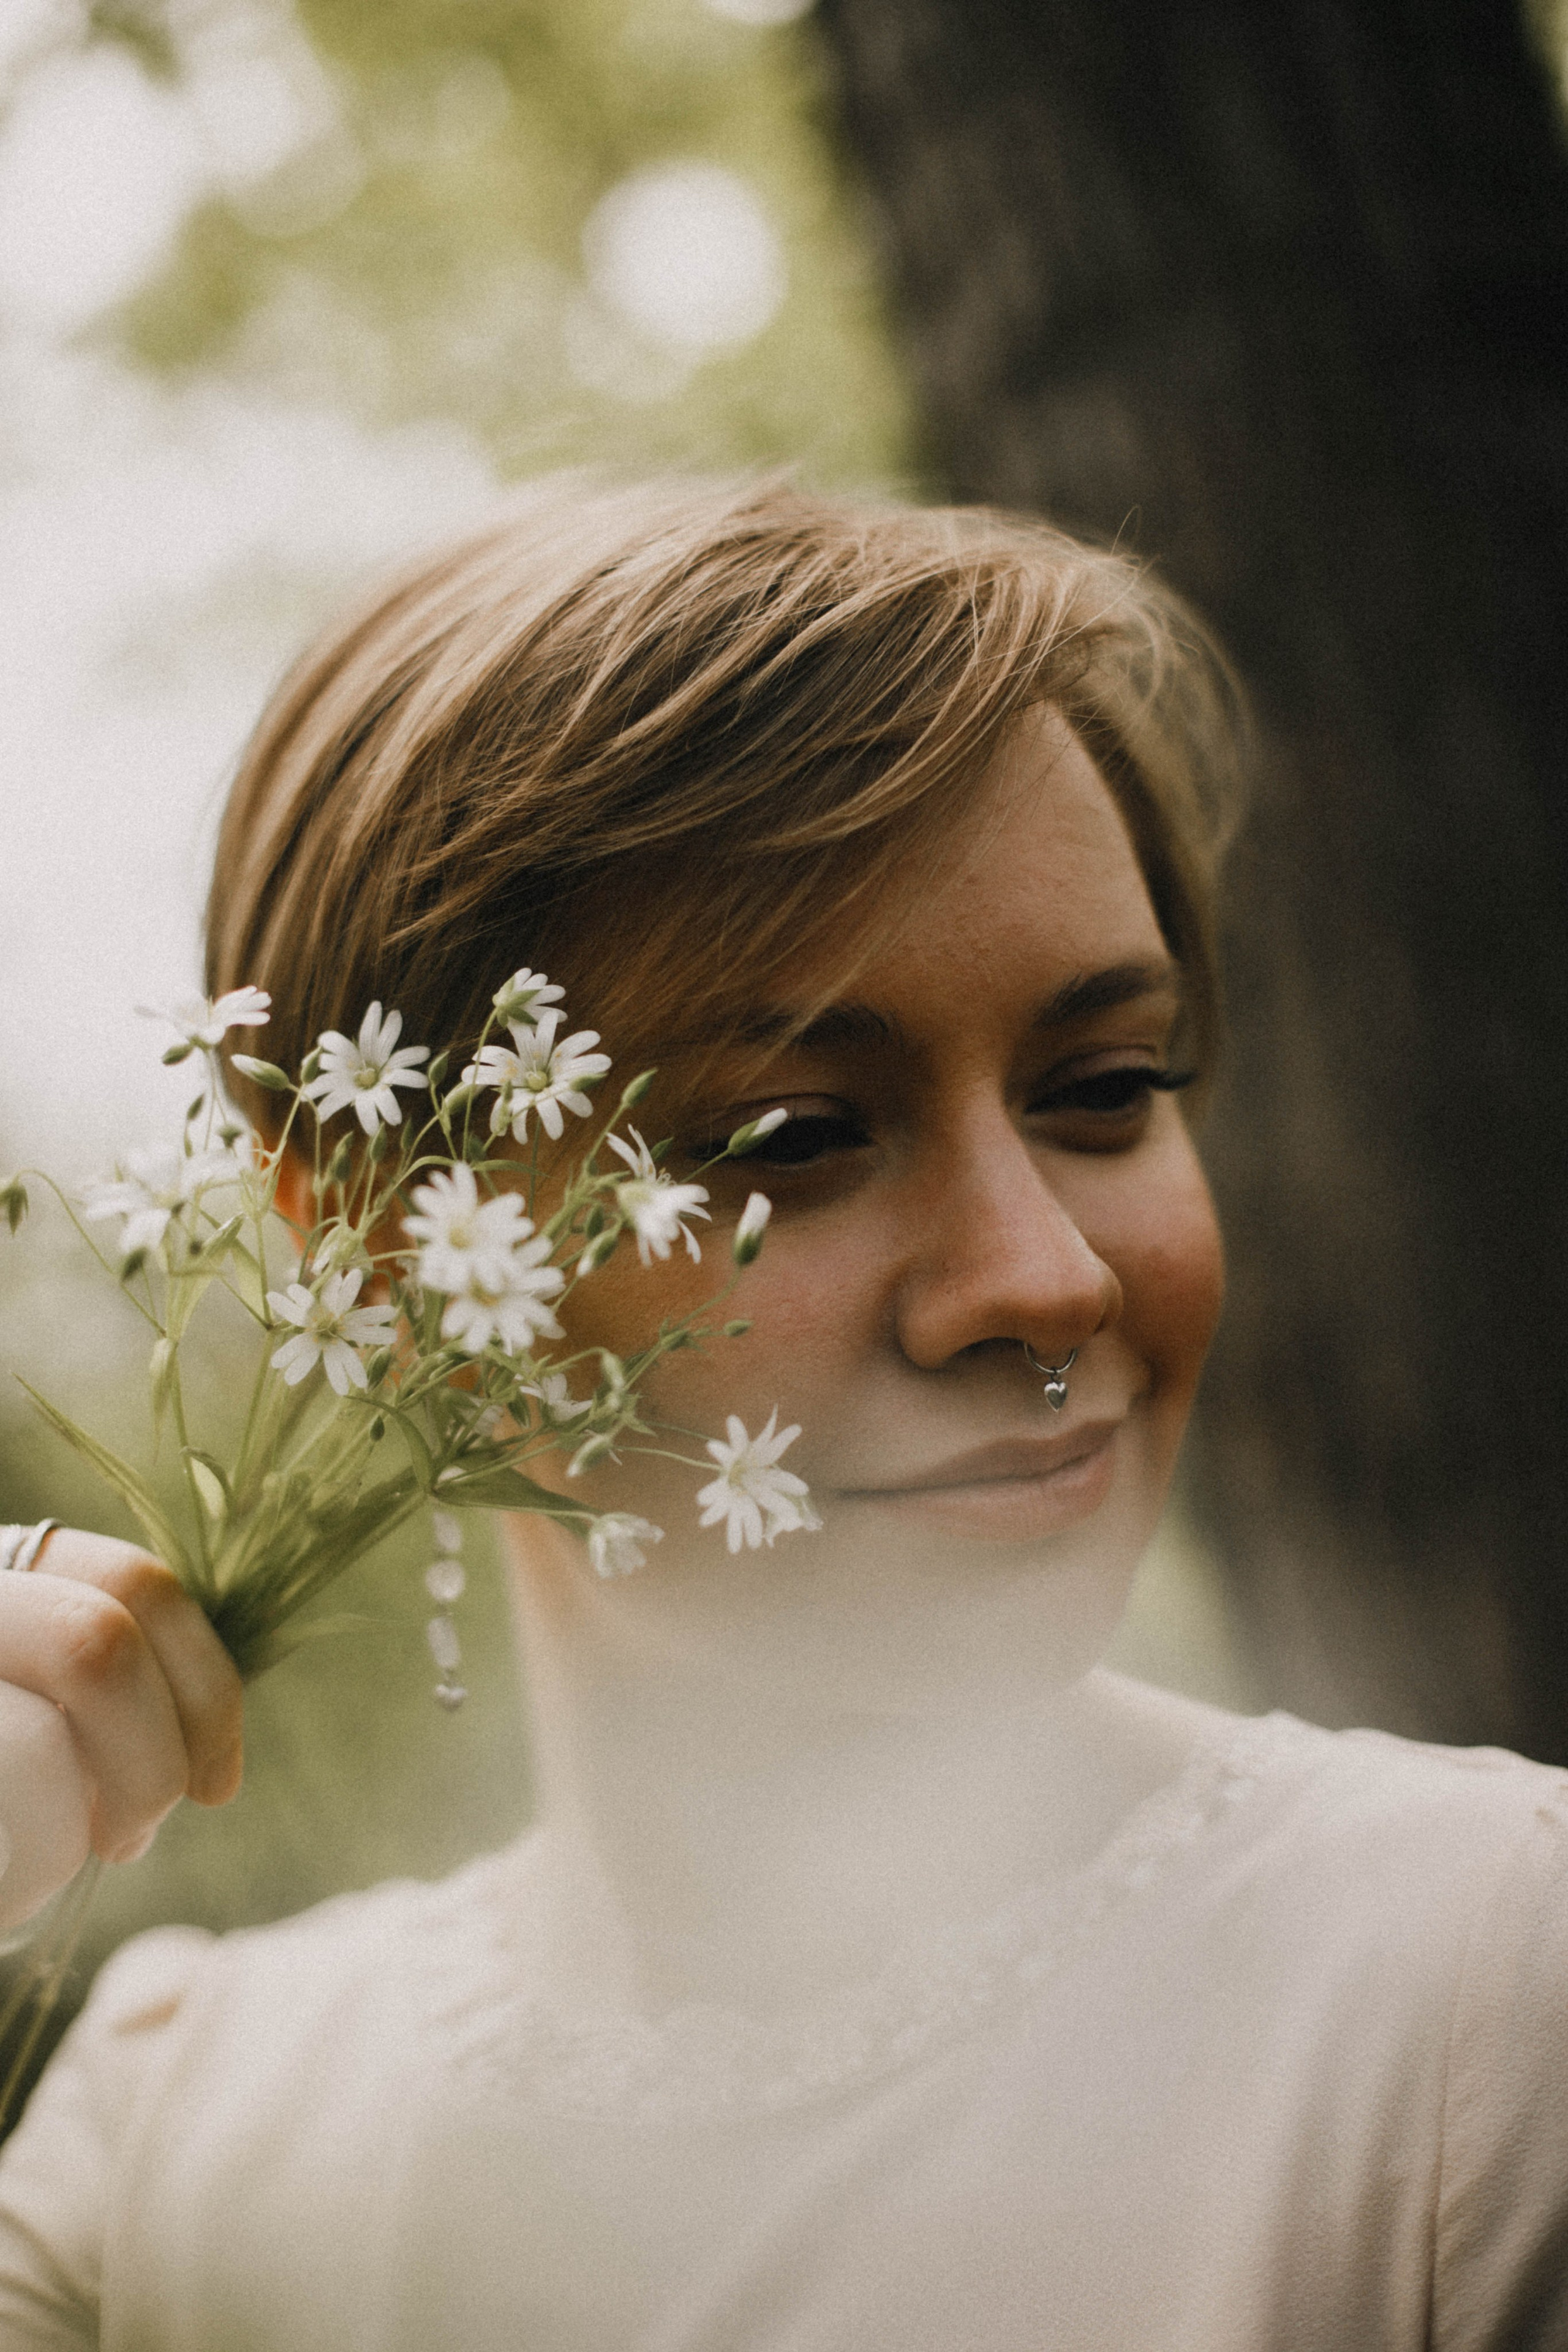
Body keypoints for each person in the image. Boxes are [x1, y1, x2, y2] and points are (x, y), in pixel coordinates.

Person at [0, 476, 1565, 2349]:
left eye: (1108, 1084)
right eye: (795, 1138)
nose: (1046, 1278)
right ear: (378, 1260)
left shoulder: (1484, 2013)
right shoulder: (172, 2148)